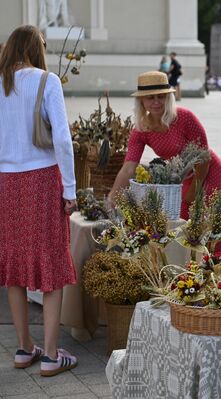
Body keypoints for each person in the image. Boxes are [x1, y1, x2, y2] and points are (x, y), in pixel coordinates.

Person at [0, 25, 78, 377]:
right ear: (37, 48)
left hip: (6, 183)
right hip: (44, 180)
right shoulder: (48, 82)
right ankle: (49, 354)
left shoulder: (1, 84)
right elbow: (62, 139)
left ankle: (22, 347)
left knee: (14, 267)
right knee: (51, 265)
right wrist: (70, 190)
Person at [108, 71, 221, 219]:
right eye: (150, 97)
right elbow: (128, 168)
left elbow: (205, 157)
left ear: (168, 98)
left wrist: (192, 194)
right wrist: (113, 196)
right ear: (141, 101)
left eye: (161, 96)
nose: (156, 102)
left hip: (208, 171)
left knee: (209, 222)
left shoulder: (185, 117)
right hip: (181, 177)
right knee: (180, 223)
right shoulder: (141, 129)